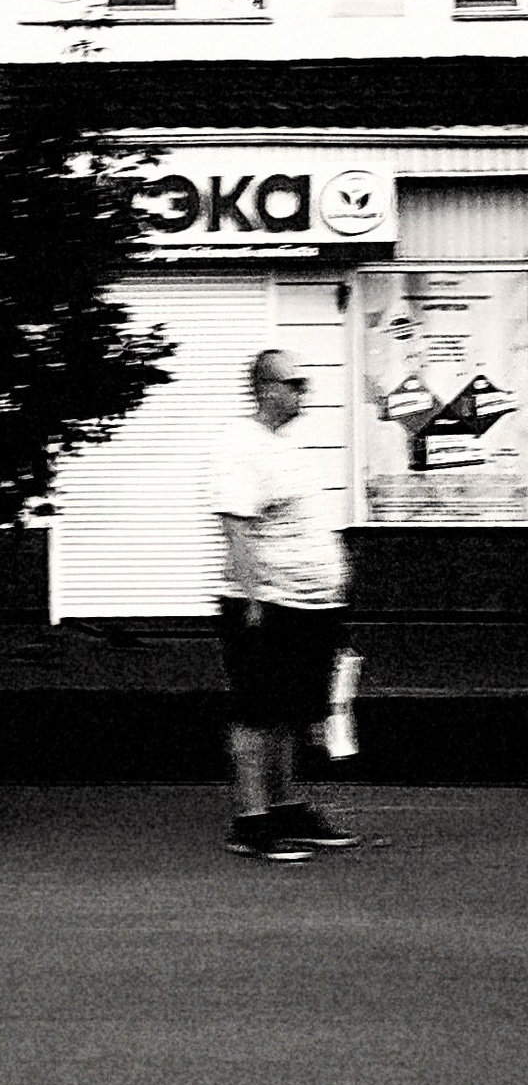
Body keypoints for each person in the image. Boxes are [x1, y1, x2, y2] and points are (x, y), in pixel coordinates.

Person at [209, 348, 357, 862]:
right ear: (267, 387)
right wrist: (253, 603)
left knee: (291, 713)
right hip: (267, 605)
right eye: (296, 383)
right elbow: (235, 526)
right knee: (256, 711)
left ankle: (287, 807)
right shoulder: (239, 442)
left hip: (309, 607)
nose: (303, 392)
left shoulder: (286, 445)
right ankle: (252, 821)